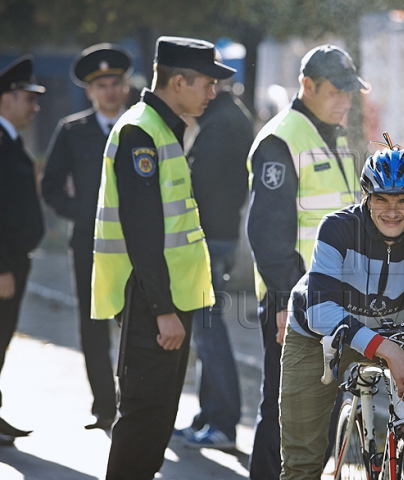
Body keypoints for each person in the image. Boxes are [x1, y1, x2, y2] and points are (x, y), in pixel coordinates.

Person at [280, 140, 404, 480]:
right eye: (381, 200)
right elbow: (319, 312)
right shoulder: (338, 229)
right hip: (317, 338)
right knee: (302, 465)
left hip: (390, 331)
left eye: (403, 200)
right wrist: (388, 350)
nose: (392, 211)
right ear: (367, 198)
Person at [90, 36, 234, 479]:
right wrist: (162, 311)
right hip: (151, 303)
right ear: (178, 81)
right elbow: (142, 231)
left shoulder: (162, 127)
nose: (213, 92)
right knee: (141, 421)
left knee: (157, 422)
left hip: (172, 302)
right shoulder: (141, 131)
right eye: (207, 83)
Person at [245, 44, 367, 479]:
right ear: (307, 86)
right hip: (296, 306)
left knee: (320, 416)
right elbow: (267, 233)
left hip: (335, 303)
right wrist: (282, 302)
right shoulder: (282, 139)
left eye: (350, 93)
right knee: (285, 416)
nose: (345, 101)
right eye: (336, 92)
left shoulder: (333, 137)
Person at [42, 43, 133, 430]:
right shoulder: (72, 130)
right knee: (93, 326)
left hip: (134, 246)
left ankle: (133, 405)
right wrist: (82, 214)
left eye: (115, 83)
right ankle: (104, 408)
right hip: (89, 246)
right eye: (102, 85)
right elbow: (49, 186)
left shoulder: (139, 129)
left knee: (134, 326)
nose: (110, 91)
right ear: (90, 92)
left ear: (125, 87)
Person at [174, 79, 253, 449]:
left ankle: (222, 422)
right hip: (217, 235)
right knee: (206, 330)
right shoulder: (227, 117)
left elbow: (200, 185)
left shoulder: (222, 122)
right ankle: (209, 416)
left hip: (209, 238)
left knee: (209, 331)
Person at [0, 55, 45, 447]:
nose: (35, 107)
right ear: (6, 98)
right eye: (28, 98)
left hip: (15, 260)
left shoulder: (11, 141)